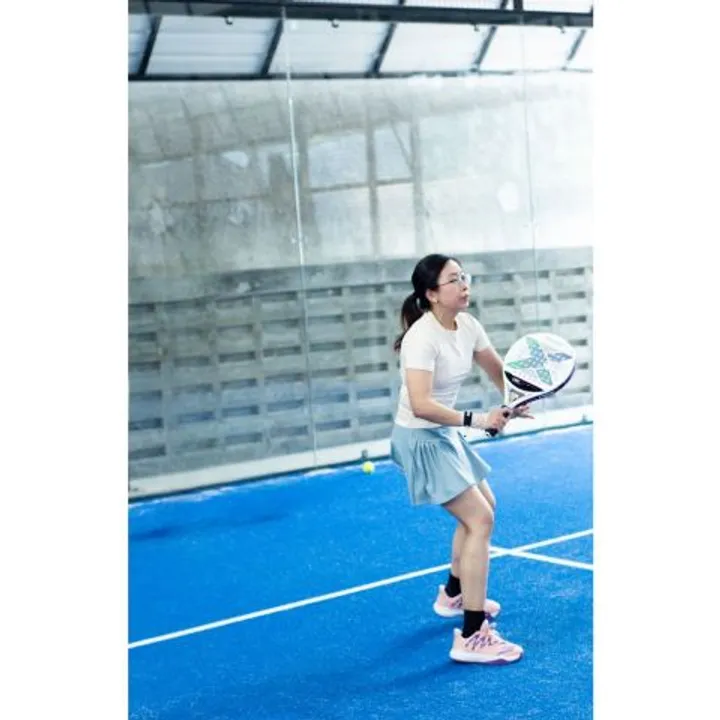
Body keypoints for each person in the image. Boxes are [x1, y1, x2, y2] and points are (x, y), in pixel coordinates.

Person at [390, 253, 528, 665]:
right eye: (454, 280)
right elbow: (420, 405)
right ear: (432, 294)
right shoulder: (421, 338)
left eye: (464, 276)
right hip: (420, 438)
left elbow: (496, 369)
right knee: (479, 519)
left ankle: (453, 594)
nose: (464, 284)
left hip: (443, 434)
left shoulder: (467, 325)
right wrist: (480, 420)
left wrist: (516, 398)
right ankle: (471, 635)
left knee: (486, 508)